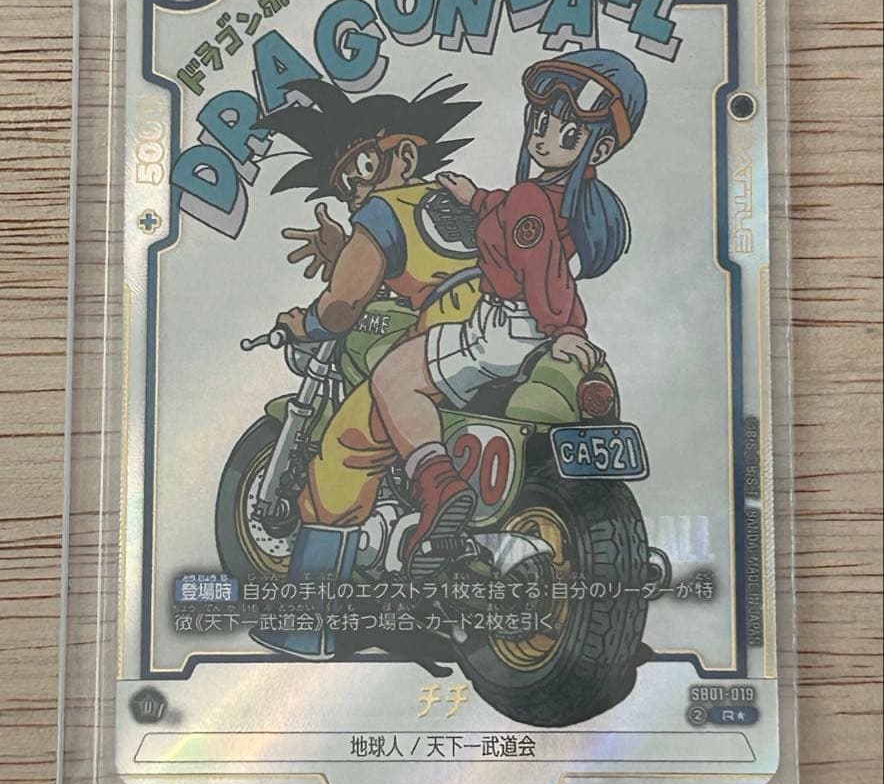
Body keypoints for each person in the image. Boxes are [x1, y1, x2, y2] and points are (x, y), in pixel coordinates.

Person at [369, 49, 647, 577]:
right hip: (528, 331)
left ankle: (437, 487)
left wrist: (563, 327)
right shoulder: (566, 195)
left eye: (567, 132)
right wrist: (475, 199)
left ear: (599, 146)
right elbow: (524, 216)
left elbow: (542, 265)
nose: (544, 137)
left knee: (392, 377)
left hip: (505, 331)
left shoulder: (528, 200)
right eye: (541, 123)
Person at [248, 76, 484, 658]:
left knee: (342, 454)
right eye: (346, 181)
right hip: (506, 333)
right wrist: (347, 254)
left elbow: (343, 307)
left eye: (364, 165)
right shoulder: (461, 200)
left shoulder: (384, 211)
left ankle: (304, 629)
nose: (356, 188)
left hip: (443, 338)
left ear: (405, 155)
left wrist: (304, 322)